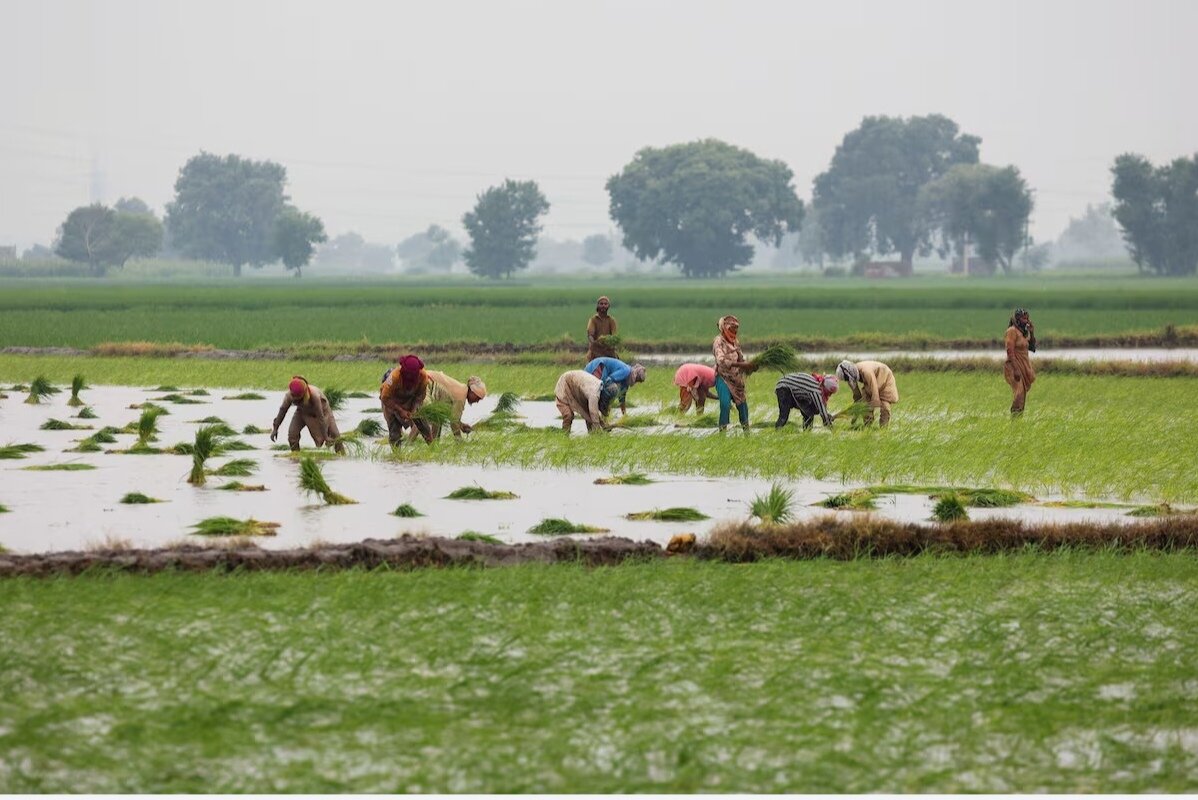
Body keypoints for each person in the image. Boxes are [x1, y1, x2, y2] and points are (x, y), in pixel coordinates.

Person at [271, 375, 345, 454]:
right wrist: (275, 428)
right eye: (294, 396)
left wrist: (326, 436)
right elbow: (282, 411)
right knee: (292, 434)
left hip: (323, 411)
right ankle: (295, 456)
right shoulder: (289, 396)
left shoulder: (315, 396)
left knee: (335, 434)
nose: (295, 398)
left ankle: (341, 455)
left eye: (298, 397)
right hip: (302, 411)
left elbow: (321, 417)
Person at [712, 315, 757, 431]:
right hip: (723, 377)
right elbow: (721, 360)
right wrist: (740, 365)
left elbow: (741, 359)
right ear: (725, 329)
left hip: (736, 379)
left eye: (736, 329)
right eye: (732, 329)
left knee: (743, 406)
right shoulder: (718, 341)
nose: (735, 331)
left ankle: (747, 435)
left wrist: (751, 367)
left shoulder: (735, 342)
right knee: (725, 404)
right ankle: (722, 435)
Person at [380, 354, 434, 446]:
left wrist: (413, 410)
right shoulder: (394, 377)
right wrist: (400, 410)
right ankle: (397, 456)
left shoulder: (423, 377)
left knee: (424, 428)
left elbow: (420, 396)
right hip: (392, 403)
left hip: (410, 401)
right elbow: (385, 397)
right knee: (394, 433)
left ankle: (433, 450)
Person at [424, 370, 487, 439]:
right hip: (426, 381)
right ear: (472, 392)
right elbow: (453, 422)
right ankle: (411, 442)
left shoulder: (462, 389)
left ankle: (433, 443)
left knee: (437, 417)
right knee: (422, 417)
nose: (477, 401)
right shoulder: (460, 398)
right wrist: (459, 440)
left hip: (426, 377)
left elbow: (451, 416)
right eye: (477, 398)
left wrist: (461, 425)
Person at [835, 360, 899, 427]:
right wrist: (857, 410)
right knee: (865, 405)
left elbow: (874, 388)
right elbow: (857, 396)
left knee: (885, 406)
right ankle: (867, 426)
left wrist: (875, 400)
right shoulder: (850, 378)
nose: (849, 381)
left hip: (884, 377)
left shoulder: (866, 371)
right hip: (871, 383)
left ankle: (884, 428)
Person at [554, 369, 619, 433]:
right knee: (568, 415)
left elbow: (593, 413)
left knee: (589, 416)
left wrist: (604, 424)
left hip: (577, 388)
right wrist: (598, 429)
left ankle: (591, 437)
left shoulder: (598, 387)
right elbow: (593, 413)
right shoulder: (594, 393)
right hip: (565, 383)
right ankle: (565, 435)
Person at [775, 372, 839, 430]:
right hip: (784, 387)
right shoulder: (816, 390)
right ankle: (777, 432)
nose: (830, 395)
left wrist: (826, 415)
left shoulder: (817, 383)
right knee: (783, 416)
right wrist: (832, 429)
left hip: (791, 388)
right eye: (830, 393)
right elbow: (822, 410)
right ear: (825, 388)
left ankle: (807, 432)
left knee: (809, 414)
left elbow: (820, 408)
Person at [1004, 307, 1037, 414]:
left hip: (1024, 366)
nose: (1026, 321)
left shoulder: (1023, 333)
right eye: (1024, 318)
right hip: (1013, 367)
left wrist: (1031, 333)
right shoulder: (1012, 331)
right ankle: (1014, 419)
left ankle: (1018, 422)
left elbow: (1032, 348)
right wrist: (1016, 369)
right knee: (1019, 393)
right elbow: (1010, 350)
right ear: (1017, 319)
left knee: (1022, 395)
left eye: (1027, 319)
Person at [586, 295, 619, 361]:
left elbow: (614, 336)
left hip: (608, 350)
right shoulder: (593, 319)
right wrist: (595, 345)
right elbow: (590, 335)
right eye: (601, 304)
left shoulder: (611, 320)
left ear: (608, 306)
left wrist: (609, 344)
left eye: (605, 304)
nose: (603, 305)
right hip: (596, 350)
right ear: (598, 306)